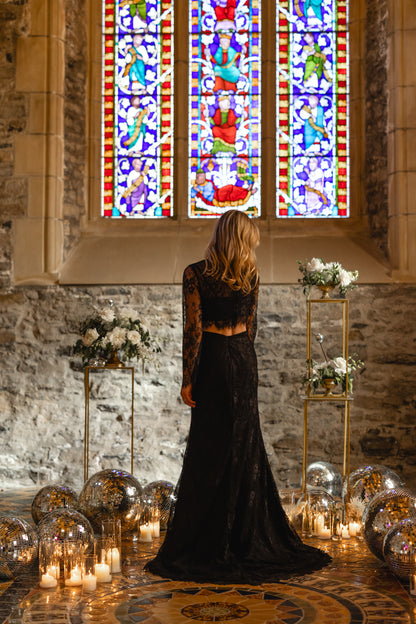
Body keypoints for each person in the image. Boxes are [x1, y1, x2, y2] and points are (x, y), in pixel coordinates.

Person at [145, 210, 331, 584]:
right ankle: (243, 534)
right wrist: (242, 363)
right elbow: (254, 326)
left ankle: (206, 536)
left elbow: (193, 330)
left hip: (213, 358)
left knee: (209, 447)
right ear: (242, 239)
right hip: (243, 358)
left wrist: (187, 379)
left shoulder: (195, 273)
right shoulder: (250, 275)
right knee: (244, 443)